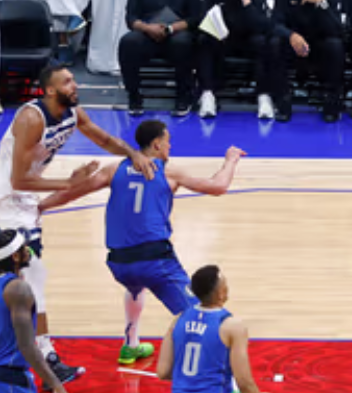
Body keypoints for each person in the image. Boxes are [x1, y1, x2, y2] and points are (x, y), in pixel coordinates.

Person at [0, 63, 153, 387]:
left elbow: (103, 139)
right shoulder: (31, 118)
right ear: (50, 91)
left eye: (73, 79)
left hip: (27, 198)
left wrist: (133, 153)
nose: (74, 85)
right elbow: (19, 179)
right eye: (67, 82)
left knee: (19, 274)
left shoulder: (73, 113)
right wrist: (69, 183)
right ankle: (46, 353)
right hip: (9, 196)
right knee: (32, 273)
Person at [89, 121, 244, 366]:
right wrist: (231, 160)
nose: (170, 146)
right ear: (157, 144)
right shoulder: (168, 172)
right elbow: (219, 186)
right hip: (154, 262)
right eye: (168, 141)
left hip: (118, 263)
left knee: (135, 287)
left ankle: (130, 345)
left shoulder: (114, 169)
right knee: (202, 313)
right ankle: (228, 383)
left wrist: (41, 206)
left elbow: (70, 190)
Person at [0, 229, 69, 393]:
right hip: (8, 381)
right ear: (15, 257)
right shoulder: (17, 289)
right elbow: (27, 346)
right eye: (23, 249)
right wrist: (56, 384)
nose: (28, 251)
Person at [118, 0, 201, 116]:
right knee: (128, 42)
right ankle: (134, 96)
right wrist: (147, 28)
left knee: (183, 43)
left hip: (178, 35)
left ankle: (183, 96)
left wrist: (172, 28)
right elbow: (131, 18)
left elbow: (196, 18)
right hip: (148, 35)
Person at [199, 0, 281, 119]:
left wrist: (246, 1)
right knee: (203, 40)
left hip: (249, 38)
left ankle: (263, 96)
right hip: (224, 39)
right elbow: (205, 20)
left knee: (263, 42)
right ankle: (207, 94)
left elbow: (262, 26)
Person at [268, 0, 348, 122]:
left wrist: (322, 3)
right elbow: (275, 23)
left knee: (336, 45)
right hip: (293, 43)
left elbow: (338, 30)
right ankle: (282, 102)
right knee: (275, 43)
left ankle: (331, 103)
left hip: (321, 44)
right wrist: (291, 35)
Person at [156, 265, 260, 392]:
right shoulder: (232, 326)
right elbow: (244, 383)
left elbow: (163, 372)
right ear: (221, 294)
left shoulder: (178, 320)